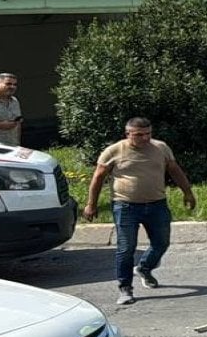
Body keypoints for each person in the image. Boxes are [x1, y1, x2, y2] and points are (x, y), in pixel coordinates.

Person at [84, 117, 197, 306]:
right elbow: (98, 178)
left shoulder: (161, 148)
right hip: (125, 206)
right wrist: (91, 204)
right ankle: (125, 288)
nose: (145, 138)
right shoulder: (114, 151)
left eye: (148, 134)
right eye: (139, 135)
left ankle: (144, 268)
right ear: (128, 134)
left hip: (157, 204)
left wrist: (188, 192)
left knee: (161, 243)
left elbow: (175, 170)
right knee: (126, 248)